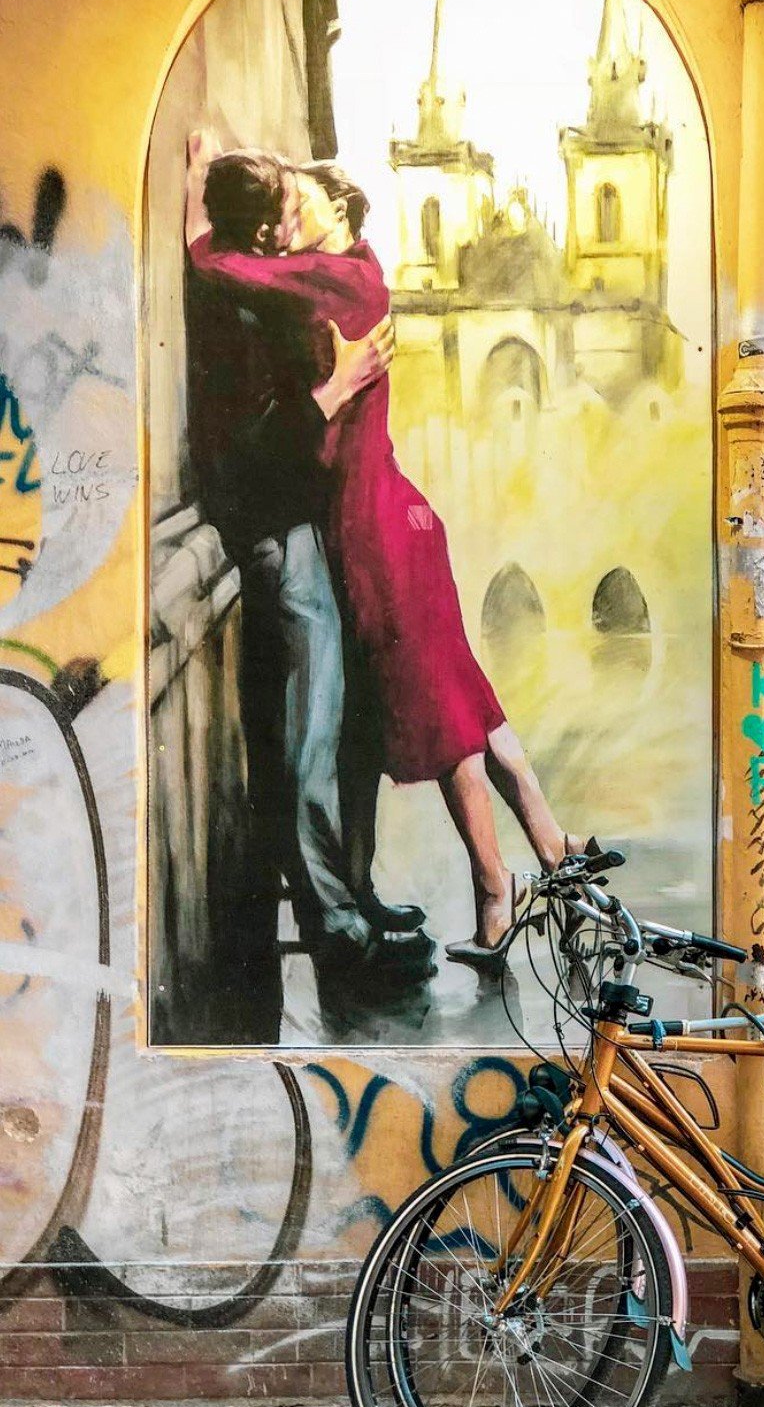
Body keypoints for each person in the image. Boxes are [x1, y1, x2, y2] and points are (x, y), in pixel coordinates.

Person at [187, 142, 584, 967]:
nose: (287, 223)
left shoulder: (333, 277)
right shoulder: (359, 271)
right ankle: (552, 847)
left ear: (337, 209)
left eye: (297, 205)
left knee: (438, 710)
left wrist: (199, 228)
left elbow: (233, 274)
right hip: (396, 517)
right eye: (279, 208)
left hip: (372, 526)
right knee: (460, 693)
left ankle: (495, 886)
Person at [183, 136, 430, 1027]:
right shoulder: (237, 312)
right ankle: (338, 929)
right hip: (278, 535)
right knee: (310, 741)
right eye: (286, 201)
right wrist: (335, 393)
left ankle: (351, 903)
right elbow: (243, 447)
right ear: (261, 226)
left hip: (301, 529)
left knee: (334, 727)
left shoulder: (260, 291)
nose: (299, 216)